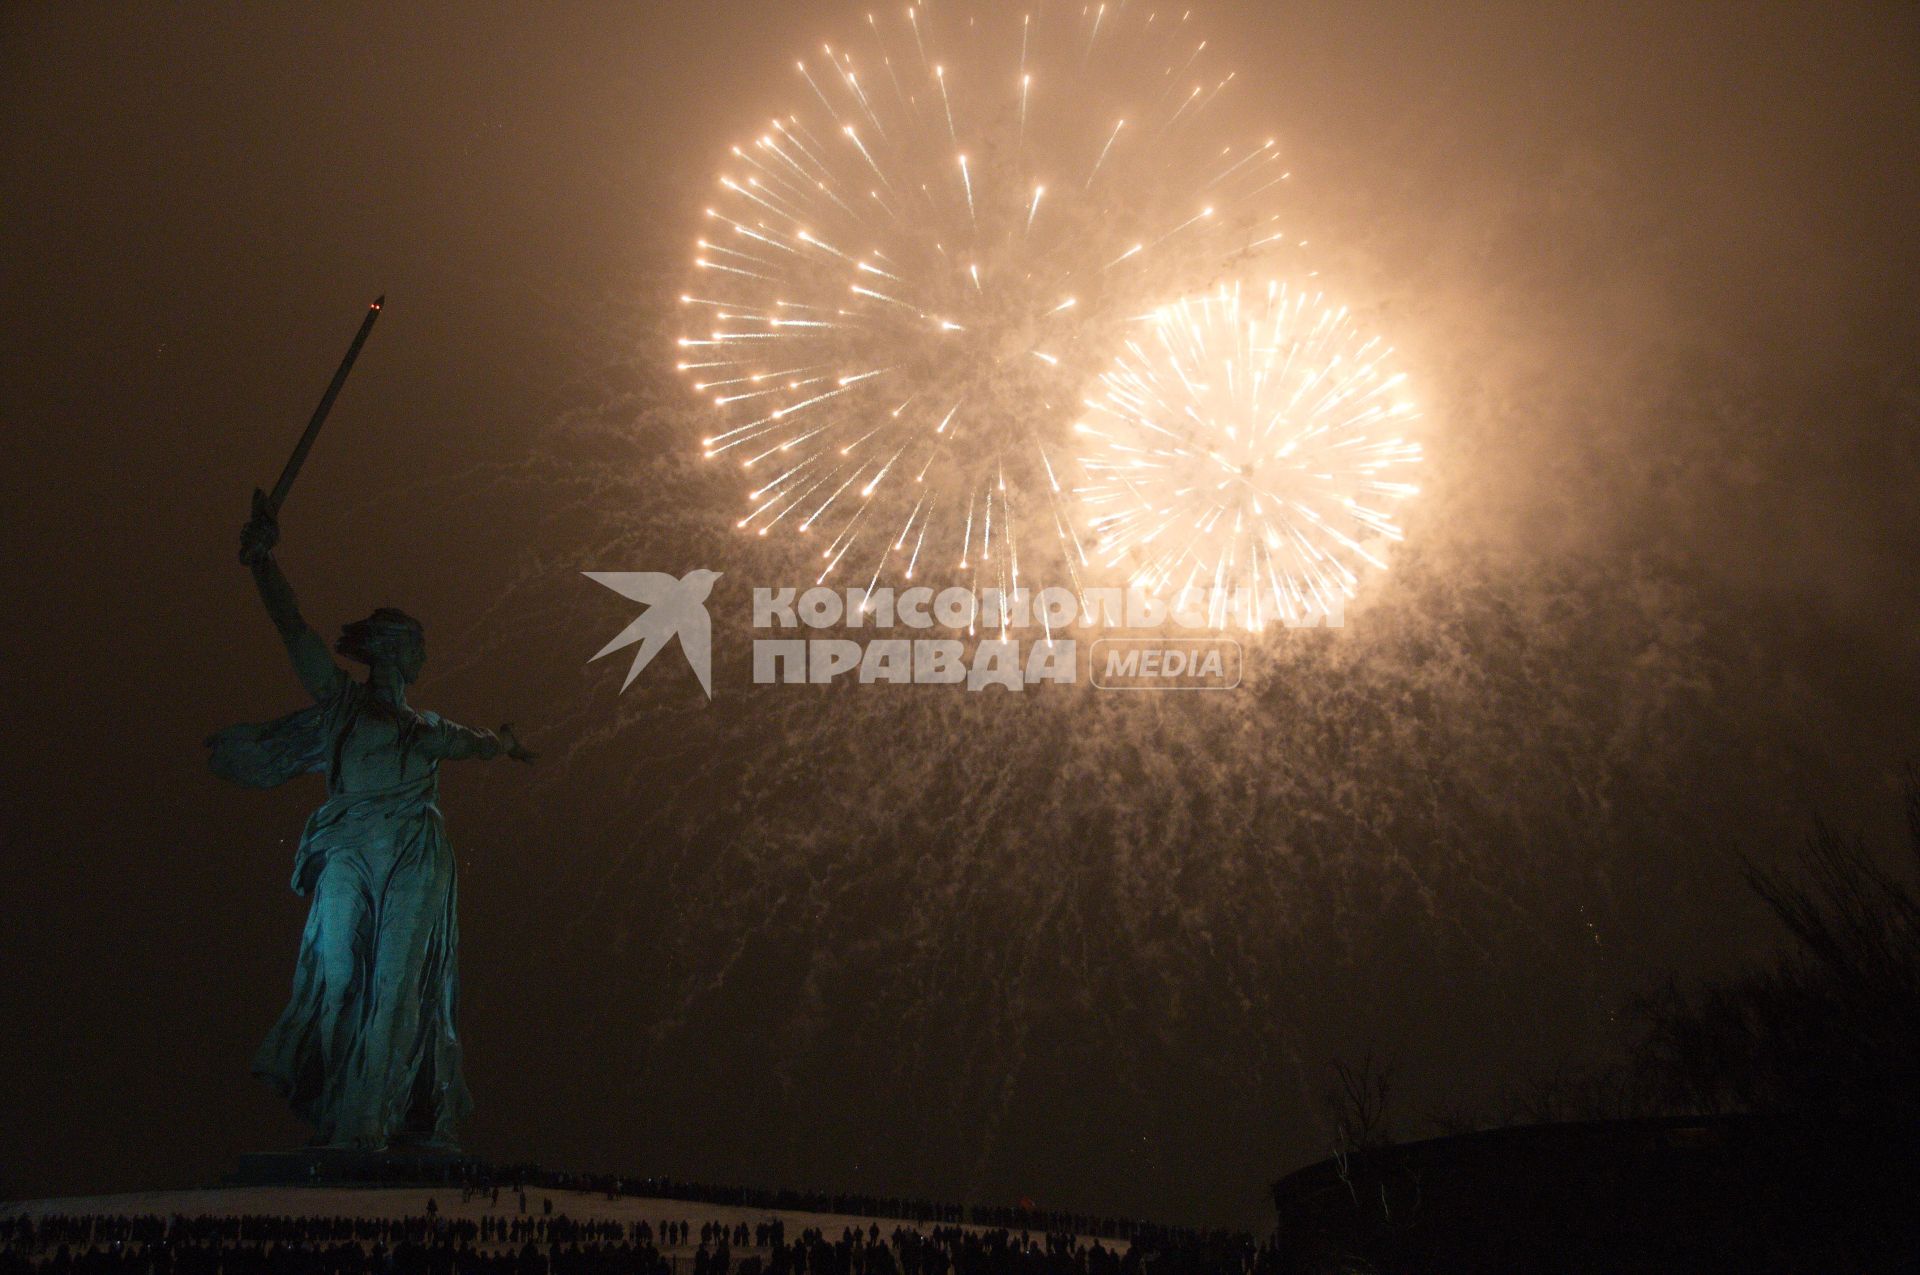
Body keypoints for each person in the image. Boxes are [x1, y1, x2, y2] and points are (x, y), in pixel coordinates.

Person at [208, 490, 533, 1149]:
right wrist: (263, 563)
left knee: (397, 987)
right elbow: (294, 631)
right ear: (392, 651)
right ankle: (344, 1108)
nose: (422, 655)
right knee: (334, 981)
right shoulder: (342, 703)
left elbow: (479, 742)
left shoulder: (430, 728)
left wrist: (502, 741)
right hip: (350, 849)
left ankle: (366, 1123)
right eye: (415, 645)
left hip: (415, 852)